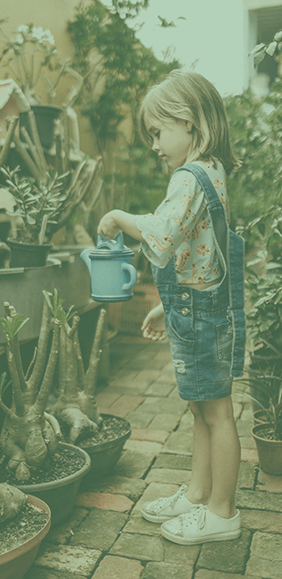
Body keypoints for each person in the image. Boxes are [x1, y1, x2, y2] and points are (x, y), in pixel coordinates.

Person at [97, 70, 246, 545]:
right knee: (201, 408)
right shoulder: (211, 172)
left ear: (188, 123)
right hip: (199, 304)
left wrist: (120, 217)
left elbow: (162, 232)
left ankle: (222, 510)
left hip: (200, 312)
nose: (155, 145)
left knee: (216, 412)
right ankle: (200, 492)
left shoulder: (190, 176)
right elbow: (201, 249)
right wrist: (169, 306)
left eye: (158, 132)